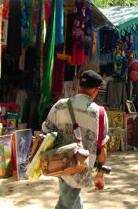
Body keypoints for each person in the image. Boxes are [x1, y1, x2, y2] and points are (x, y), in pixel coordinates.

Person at [42, 70, 109, 209]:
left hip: (58, 161)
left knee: (70, 197)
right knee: (67, 202)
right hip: (81, 166)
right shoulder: (100, 113)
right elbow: (102, 147)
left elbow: (46, 130)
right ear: (96, 90)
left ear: (79, 86)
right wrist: (100, 174)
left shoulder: (60, 105)